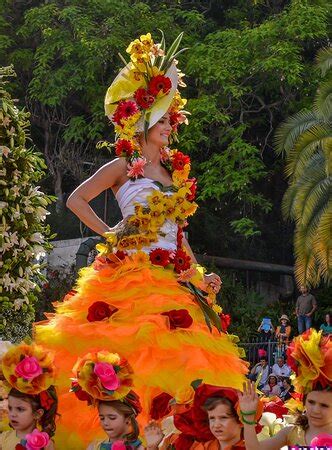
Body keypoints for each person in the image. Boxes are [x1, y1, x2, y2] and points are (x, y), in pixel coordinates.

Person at [33, 32, 248, 448]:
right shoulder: (121, 165)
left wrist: (199, 278)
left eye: (171, 120)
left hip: (172, 277)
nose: (170, 127)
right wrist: (109, 232)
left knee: (180, 360)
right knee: (127, 351)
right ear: (145, 123)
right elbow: (76, 199)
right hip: (129, 272)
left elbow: (179, 235)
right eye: (164, 120)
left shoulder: (174, 173)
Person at [238, 329, 332, 449]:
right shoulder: (291, 433)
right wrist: (248, 418)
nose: (316, 410)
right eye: (311, 402)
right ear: (304, 401)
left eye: (324, 405)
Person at [144, 384, 263, 449]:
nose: (216, 424)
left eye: (223, 418)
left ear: (239, 420)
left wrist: (248, 419)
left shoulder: (250, 447)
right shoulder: (203, 446)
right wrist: (152, 447)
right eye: (211, 418)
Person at [70, 351, 143, 450]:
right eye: (102, 418)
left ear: (128, 419)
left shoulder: (138, 447)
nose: (105, 423)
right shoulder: (95, 447)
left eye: (112, 418)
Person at [0, 343, 58, 450]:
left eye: (20, 409)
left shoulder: (46, 445)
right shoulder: (3, 439)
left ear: (37, 414)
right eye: (10, 408)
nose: (12, 414)